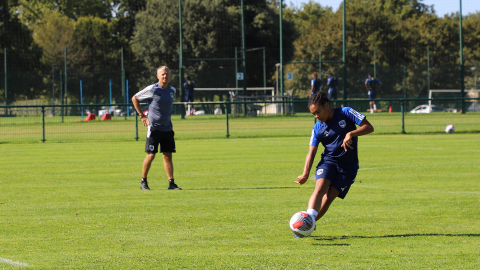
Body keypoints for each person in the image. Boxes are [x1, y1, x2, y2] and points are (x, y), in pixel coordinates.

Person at [295, 91, 374, 237]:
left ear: (327, 105)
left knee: (329, 197)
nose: (317, 116)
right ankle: (304, 226)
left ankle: (309, 223)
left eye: (318, 112)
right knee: (320, 188)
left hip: (348, 167)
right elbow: (311, 152)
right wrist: (305, 173)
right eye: (314, 114)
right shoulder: (318, 128)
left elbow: (369, 127)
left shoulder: (346, 112)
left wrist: (351, 133)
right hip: (329, 162)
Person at [132, 66, 182, 191]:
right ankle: (143, 182)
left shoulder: (172, 90)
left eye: (167, 74)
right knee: (151, 155)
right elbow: (135, 98)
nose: (165, 76)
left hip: (167, 129)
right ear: (158, 76)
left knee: (167, 156)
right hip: (154, 128)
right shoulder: (152, 89)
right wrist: (142, 116)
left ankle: (171, 183)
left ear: (170, 76)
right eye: (162, 74)